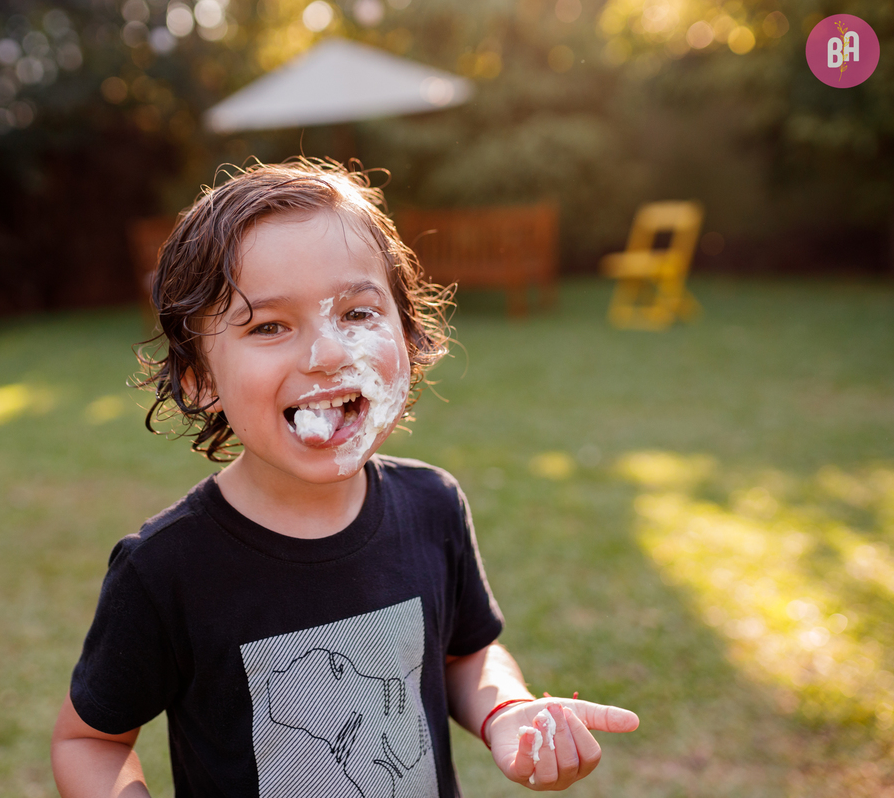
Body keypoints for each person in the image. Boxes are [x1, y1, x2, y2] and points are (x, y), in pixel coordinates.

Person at [51, 160, 639, 797]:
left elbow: (465, 655)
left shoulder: (433, 506)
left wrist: (505, 711)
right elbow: (89, 741)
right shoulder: (165, 569)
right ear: (200, 380)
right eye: (269, 326)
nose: (328, 353)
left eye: (358, 313)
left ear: (408, 333)